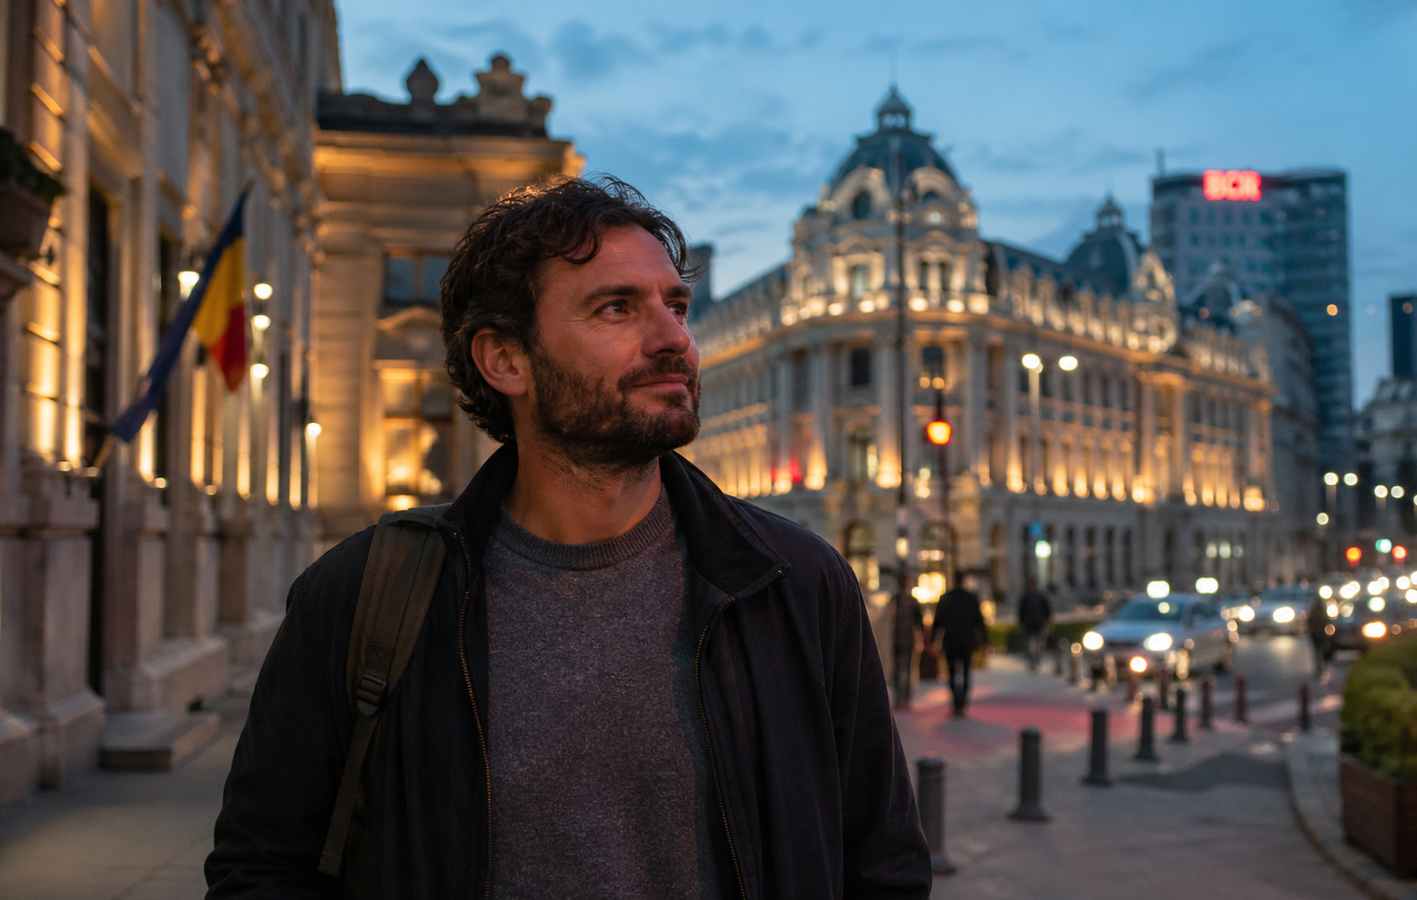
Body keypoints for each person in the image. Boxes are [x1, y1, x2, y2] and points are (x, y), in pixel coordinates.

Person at [205, 177, 931, 898]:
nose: (674, 339)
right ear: (506, 360)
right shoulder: (362, 596)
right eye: (617, 308)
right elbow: (261, 866)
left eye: (675, 306)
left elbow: (883, 865)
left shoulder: (796, 585)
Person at [930, 573, 987, 717]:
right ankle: (963, 704)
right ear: (964, 581)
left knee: (951, 674)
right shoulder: (971, 598)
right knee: (966, 673)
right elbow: (979, 621)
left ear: (953, 580)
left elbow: (937, 622)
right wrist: (985, 641)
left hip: (950, 641)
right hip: (967, 641)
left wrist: (932, 640)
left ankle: (956, 703)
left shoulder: (945, 598)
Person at [1016, 579, 1053, 672]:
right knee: (1032, 643)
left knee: (1037, 643)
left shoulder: (1034, 597)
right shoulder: (1029, 597)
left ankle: (1035, 661)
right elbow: (1021, 611)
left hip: (1036, 623)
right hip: (1032, 623)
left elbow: (1046, 610)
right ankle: (1033, 661)